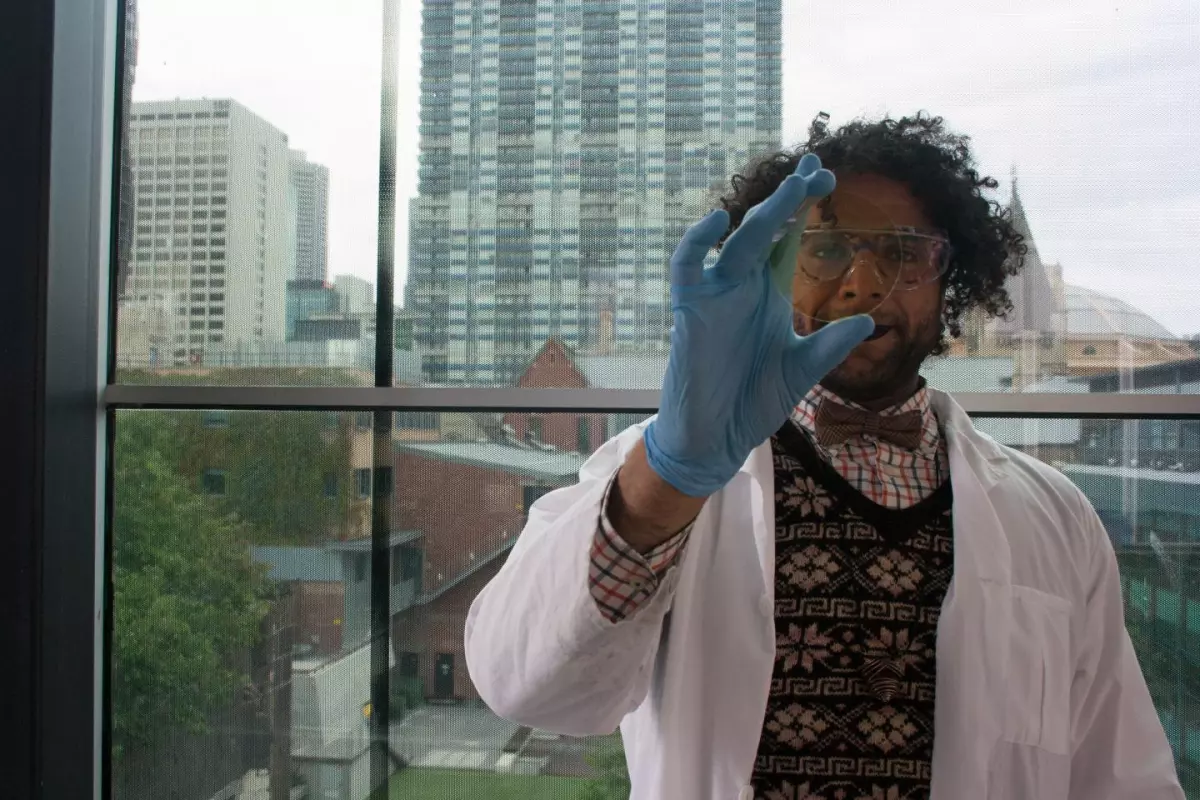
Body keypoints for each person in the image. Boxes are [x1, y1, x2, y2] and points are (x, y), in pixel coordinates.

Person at [464, 113, 1184, 800]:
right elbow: (526, 687)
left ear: (950, 276)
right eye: (828, 247)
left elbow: (1119, 776)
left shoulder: (1056, 517)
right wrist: (669, 479)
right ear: (774, 266)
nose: (864, 283)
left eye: (902, 250)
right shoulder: (658, 475)